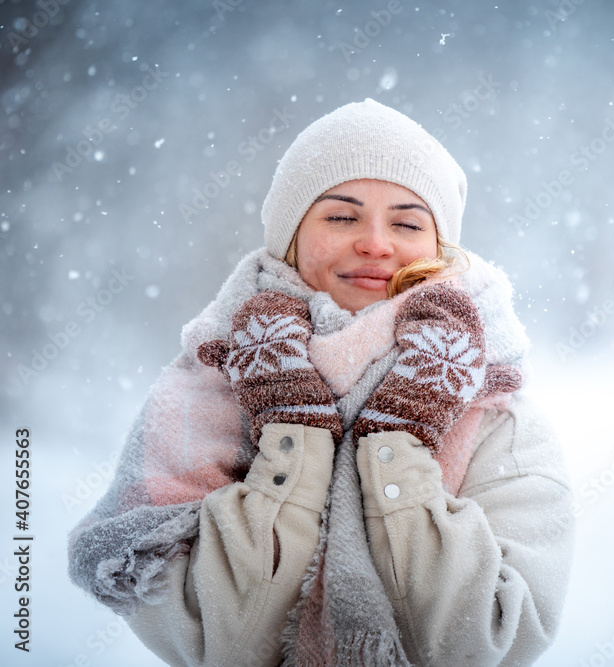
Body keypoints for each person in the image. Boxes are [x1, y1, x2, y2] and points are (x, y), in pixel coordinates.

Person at [67, 98, 574, 666]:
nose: (376, 243)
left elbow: (496, 639)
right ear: (291, 237)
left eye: (406, 222)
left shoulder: (492, 408)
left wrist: (399, 445)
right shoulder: (206, 388)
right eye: (341, 216)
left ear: (437, 246)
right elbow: (208, 641)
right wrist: (294, 434)